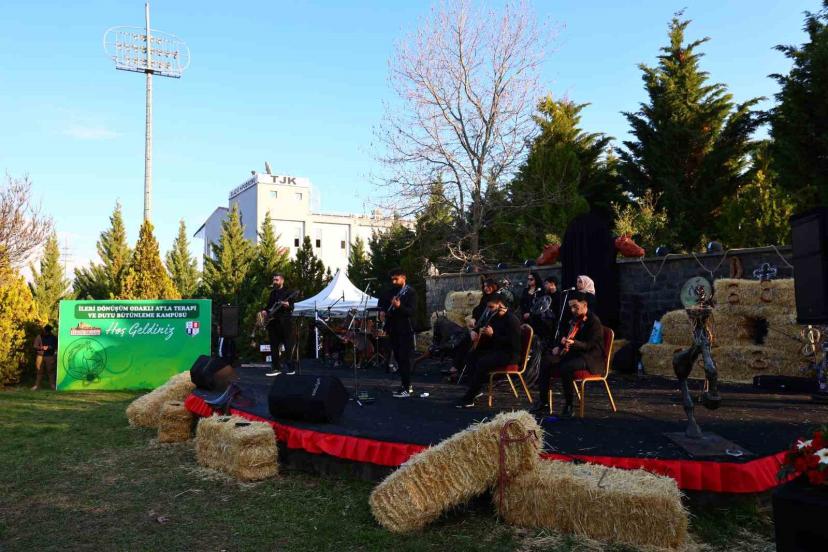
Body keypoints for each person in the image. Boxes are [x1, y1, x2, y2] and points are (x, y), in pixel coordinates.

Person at [531, 292, 605, 418]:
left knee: (566, 367)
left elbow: (590, 345)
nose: (573, 310)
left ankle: (569, 405)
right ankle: (544, 401)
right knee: (546, 361)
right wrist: (560, 345)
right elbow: (566, 335)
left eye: (576, 307)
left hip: (589, 357)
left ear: (584, 304)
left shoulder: (594, 321)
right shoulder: (573, 319)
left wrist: (574, 343)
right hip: (573, 352)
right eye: (571, 307)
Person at [456, 292, 521, 408]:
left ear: (500, 305)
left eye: (491, 307)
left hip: (509, 354)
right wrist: (477, 332)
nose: (489, 310)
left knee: (483, 362)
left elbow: (514, 345)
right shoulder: (495, 317)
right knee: (472, 356)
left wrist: (493, 335)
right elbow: (484, 328)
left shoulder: (512, 320)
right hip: (497, 350)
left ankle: (470, 398)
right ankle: (474, 390)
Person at [378, 268, 417, 398]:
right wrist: (382, 311)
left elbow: (411, 311)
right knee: (398, 358)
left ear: (403, 277)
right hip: (393, 329)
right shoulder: (390, 291)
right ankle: (404, 385)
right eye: (392, 279)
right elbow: (382, 302)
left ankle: (407, 387)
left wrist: (399, 306)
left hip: (406, 329)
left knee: (404, 358)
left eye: (396, 279)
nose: (394, 282)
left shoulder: (410, 292)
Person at [260, 273, 296, 376]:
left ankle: (290, 368)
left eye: (277, 280)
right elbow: (269, 306)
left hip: (285, 323)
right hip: (273, 323)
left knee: (288, 346)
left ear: (282, 281)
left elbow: (293, 306)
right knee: (274, 346)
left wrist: (287, 305)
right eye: (274, 280)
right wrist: (265, 311)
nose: (275, 282)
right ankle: (276, 368)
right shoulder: (273, 293)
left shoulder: (289, 292)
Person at [32, 324, 57, 390]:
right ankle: (37, 386)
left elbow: (55, 346)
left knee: (51, 372)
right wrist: (42, 347)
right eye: (46, 331)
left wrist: (49, 347)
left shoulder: (53, 337)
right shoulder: (39, 337)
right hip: (40, 356)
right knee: (39, 371)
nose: (46, 332)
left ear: (50, 331)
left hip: (50, 356)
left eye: (48, 331)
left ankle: (52, 386)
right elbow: (35, 346)